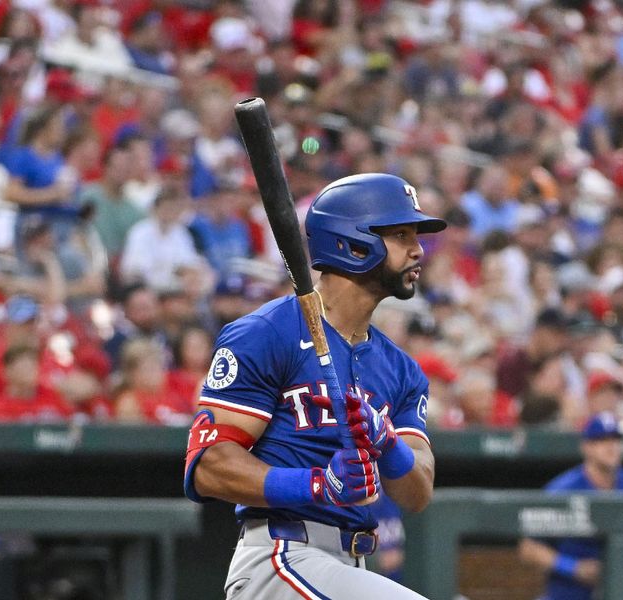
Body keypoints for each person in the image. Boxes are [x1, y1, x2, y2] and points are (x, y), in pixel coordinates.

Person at [184, 173, 445, 599]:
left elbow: (417, 493)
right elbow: (208, 466)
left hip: (352, 562)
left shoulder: (402, 370)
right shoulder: (268, 332)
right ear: (353, 242)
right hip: (281, 558)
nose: (417, 249)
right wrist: (317, 485)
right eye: (400, 234)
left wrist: (389, 445)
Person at [518, 412, 623, 600]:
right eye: (601, 440)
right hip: (568, 591)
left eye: (616, 440)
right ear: (586, 447)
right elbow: (528, 549)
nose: (611, 447)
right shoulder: (562, 489)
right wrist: (573, 567)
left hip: (619, 589)